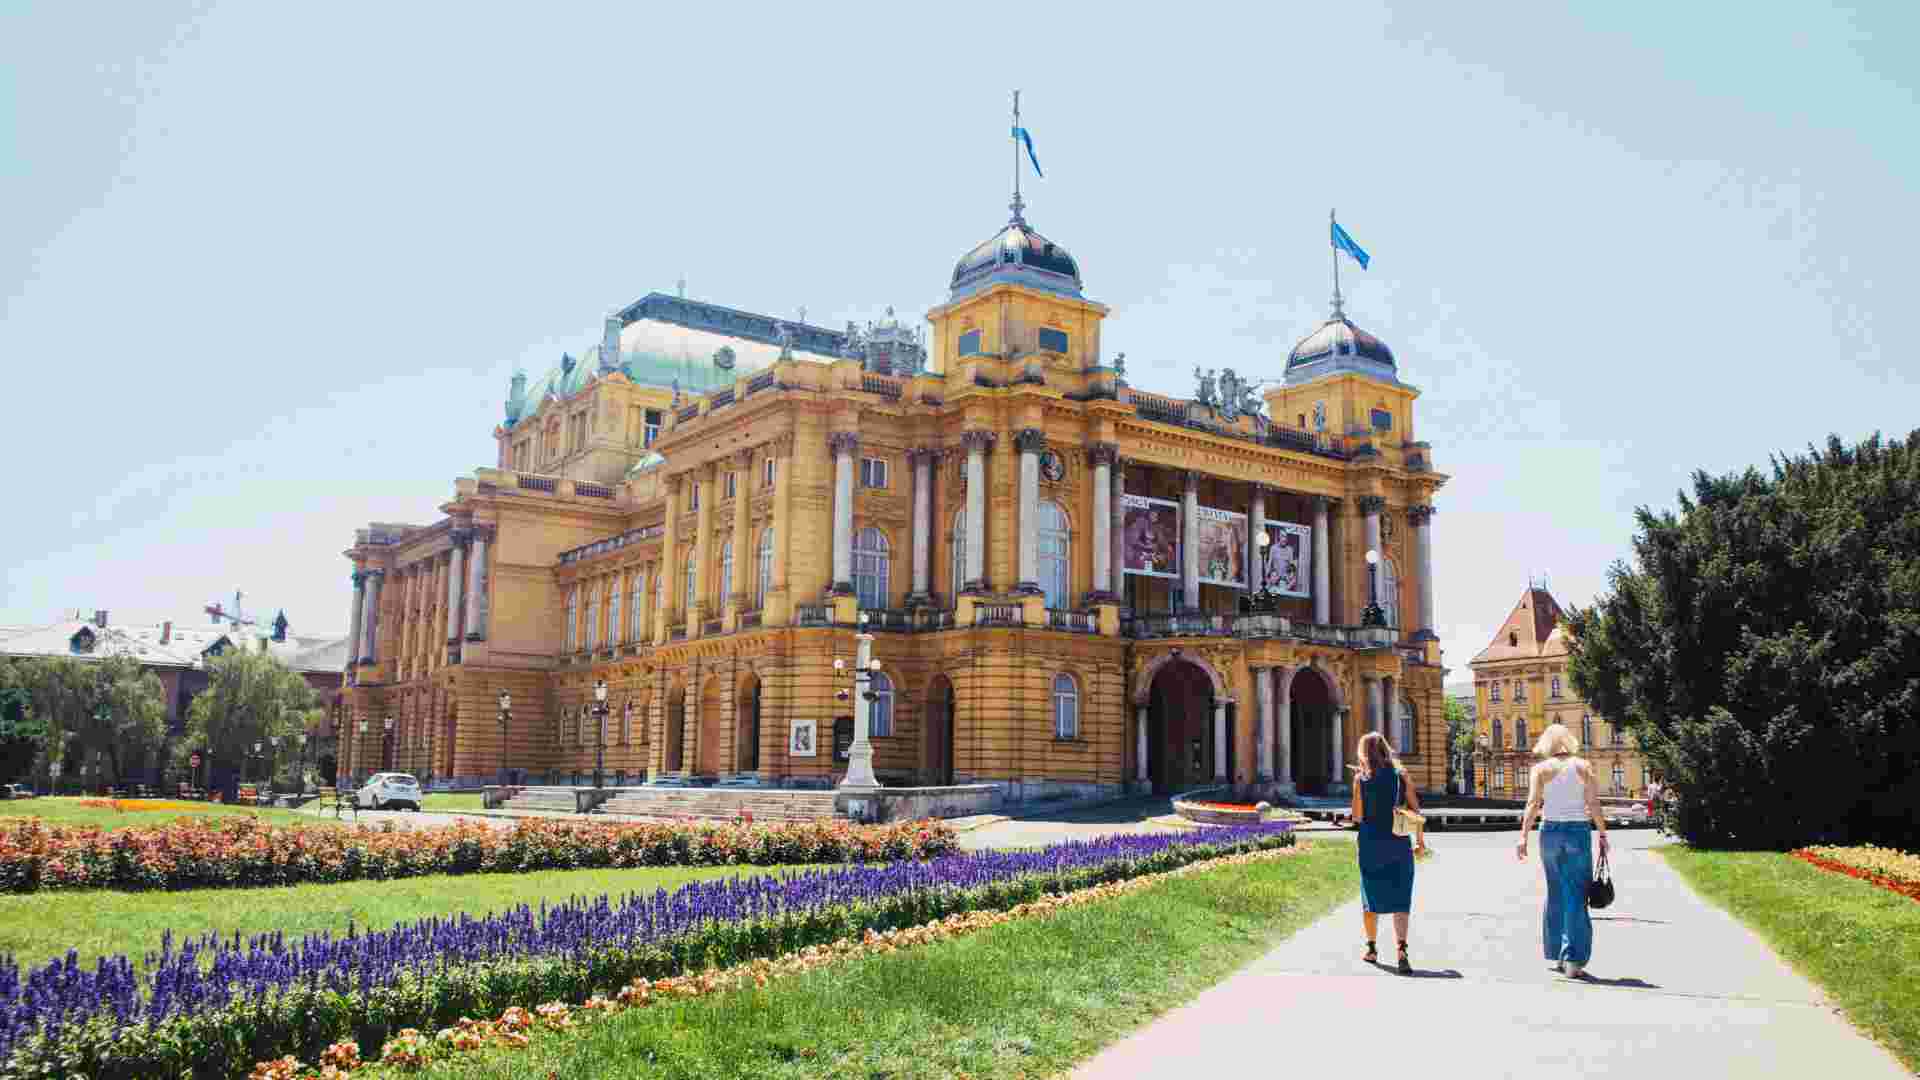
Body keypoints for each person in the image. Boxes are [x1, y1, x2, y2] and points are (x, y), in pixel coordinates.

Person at [1516, 722, 1611, 978]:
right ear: (1569, 741)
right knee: (1576, 895)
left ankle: (1558, 954)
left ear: (1547, 744)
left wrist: (1523, 836)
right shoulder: (1583, 766)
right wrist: (1602, 833)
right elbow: (1593, 803)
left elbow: (1533, 804)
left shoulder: (1540, 769)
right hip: (1577, 831)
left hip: (1549, 832)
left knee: (1555, 891)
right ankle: (1572, 960)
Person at [1350, 730, 1427, 973]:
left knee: (1370, 898)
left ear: (1364, 753)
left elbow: (1357, 816)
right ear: (1385, 749)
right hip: (1398, 843)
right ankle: (1402, 950)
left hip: (1371, 844)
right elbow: (1416, 810)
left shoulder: (1361, 779)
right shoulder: (1400, 776)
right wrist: (1420, 841)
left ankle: (1372, 949)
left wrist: (1360, 786)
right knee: (1400, 898)